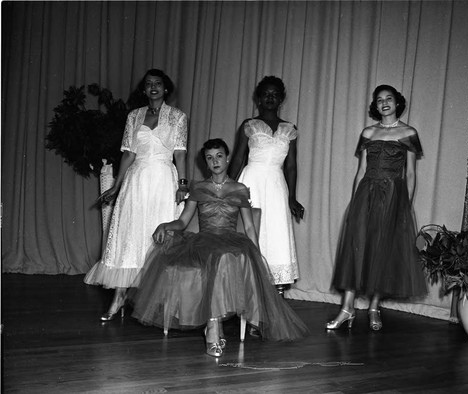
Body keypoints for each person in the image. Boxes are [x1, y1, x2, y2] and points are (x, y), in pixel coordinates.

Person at [129, 139, 309, 357]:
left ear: (228, 157)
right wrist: (165, 225)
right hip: (204, 241)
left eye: (219, 156)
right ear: (205, 161)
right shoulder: (198, 187)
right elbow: (183, 222)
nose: (215, 161)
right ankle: (213, 326)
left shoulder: (240, 189)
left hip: (231, 240)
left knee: (226, 256)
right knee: (217, 255)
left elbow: (250, 226)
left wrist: (256, 254)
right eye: (209, 157)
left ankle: (213, 326)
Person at [84, 69, 189, 321]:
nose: (153, 87)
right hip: (137, 181)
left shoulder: (177, 117)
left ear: (166, 89)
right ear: (144, 89)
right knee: (129, 235)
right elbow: (129, 154)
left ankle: (162, 302)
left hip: (164, 180)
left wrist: (183, 184)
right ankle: (119, 297)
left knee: (159, 237)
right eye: (149, 84)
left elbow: (180, 153)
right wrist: (116, 185)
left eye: (158, 84)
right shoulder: (134, 116)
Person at [326, 85, 427, 331]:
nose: (384, 103)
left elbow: (411, 174)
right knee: (356, 248)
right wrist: (354, 205)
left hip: (393, 197)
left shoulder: (409, 132)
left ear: (397, 103)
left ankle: (373, 307)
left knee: (382, 250)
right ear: (375, 105)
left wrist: (405, 207)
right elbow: (361, 172)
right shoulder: (368, 132)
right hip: (366, 195)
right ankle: (347, 309)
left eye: (388, 99)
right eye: (379, 100)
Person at [228, 76, 304, 296]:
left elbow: (291, 166)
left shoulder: (290, 129)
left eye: (275, 94)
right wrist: (226, 188)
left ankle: (274, 294)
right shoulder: (249, 125)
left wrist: (292, 197)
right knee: (252, 232)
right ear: (258, 98)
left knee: (275, 232)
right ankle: (248, 292)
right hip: (251, 182)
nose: (270, 98)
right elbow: (237, 159)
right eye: (266, 94)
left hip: (277, 186)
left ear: (281, 99)